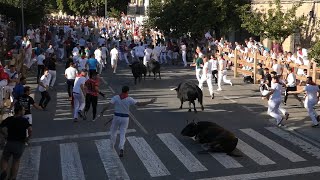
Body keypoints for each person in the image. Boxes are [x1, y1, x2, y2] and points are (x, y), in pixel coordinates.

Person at [100, 86, 156, 157]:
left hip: (116, 117)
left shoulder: (116, 97)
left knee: (113, 131)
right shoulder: (129, 99)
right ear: (127, 91)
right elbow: (140, 104)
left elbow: (108, 106)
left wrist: (102, 112)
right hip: (125, 118)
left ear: (122, 90)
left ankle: (112, 146)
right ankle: (121, 148)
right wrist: (150, 102)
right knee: (122, 133)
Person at [0, 104, 32, 180]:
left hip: (9, 142)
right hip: (20, 144)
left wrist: (4, 135)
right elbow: (30, 130)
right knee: (16, 161)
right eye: (23, 110)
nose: (24, 111)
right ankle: (12, 177)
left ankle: (4, 171)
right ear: (20, 111)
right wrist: (28, 138)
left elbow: (1, 127)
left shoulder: (9, 119)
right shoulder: (24, 120)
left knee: (5, 158)